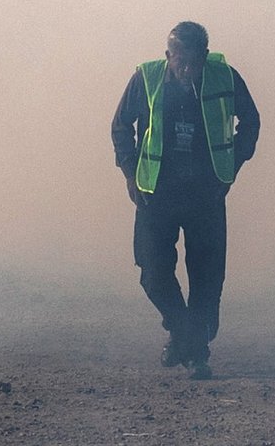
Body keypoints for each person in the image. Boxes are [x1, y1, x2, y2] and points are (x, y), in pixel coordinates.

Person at [110, 22, 258, 376]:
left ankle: (195, 352)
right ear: (167, 56)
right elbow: (120, 127)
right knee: (153, 272)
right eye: (179, 61)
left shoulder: (225, 77)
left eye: (193, 62)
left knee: (207, 276)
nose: (187, 69)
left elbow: (250, 122)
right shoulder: (146, 79)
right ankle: (183, 334)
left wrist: (233, 164)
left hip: (206, 193)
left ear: (205, 57)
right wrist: (130, 173)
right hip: (155, 193)